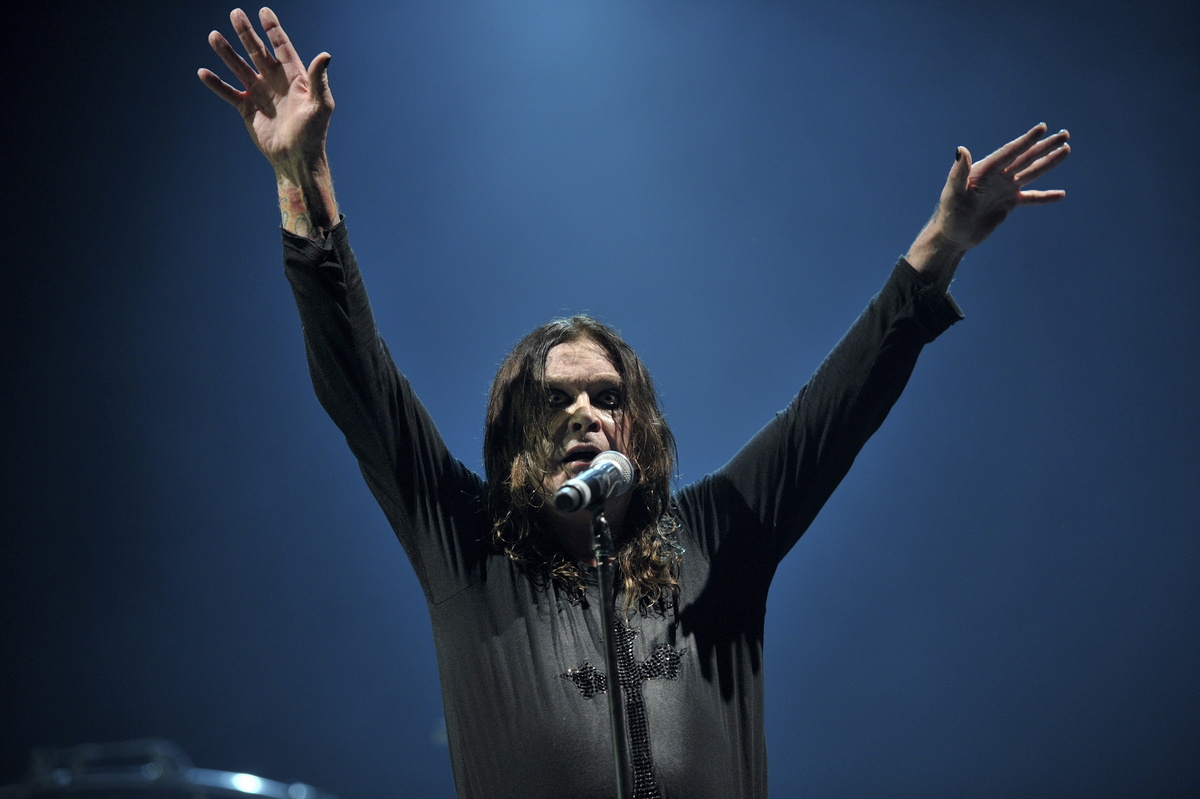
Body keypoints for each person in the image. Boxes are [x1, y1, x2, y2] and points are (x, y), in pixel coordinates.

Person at [199, 8, 1070, 798]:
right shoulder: (470, 550)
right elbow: (361, 382)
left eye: (605, 395)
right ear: (514, 439)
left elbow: (832, 413)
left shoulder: (714, 542)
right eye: (554, 399)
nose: (582, 412)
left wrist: (942, 243)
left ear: (637, 428)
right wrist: (302, 173)